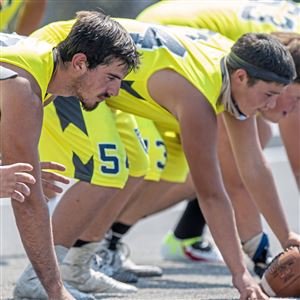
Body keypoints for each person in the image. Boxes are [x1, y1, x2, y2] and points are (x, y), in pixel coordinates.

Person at [22, 17, 300, 300]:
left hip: (108, 73)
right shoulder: (197, 98)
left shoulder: (238, 65)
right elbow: (212, 194)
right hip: (70, 60)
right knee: (109, 168)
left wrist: (287, 236)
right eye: (268, 95)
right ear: (241, 77)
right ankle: (38, 277)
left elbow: (253, 166)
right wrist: (240, 275)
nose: (271, 105)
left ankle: (76, 267)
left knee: (138, 165)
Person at [137, 0, 300, 272]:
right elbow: (251, 173)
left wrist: (283, 236)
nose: (295, 108)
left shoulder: (275, 69)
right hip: (163, 35)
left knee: (242, 144)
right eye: (296, 99)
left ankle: (181, 235)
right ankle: (106, 236)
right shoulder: (275, 72)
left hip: (186, 29)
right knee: (206, 170)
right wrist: (262, 257)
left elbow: (255, 167)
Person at [0, 11, 139, 300]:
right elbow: (29, 201)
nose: (115, 91)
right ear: (79, 63)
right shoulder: (24, 86)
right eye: (111, 77)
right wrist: (56, 290)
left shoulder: (42, 75)